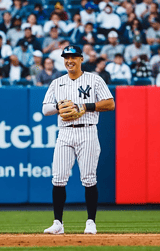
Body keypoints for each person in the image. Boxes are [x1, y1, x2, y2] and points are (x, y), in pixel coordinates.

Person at [42, 45, 115, 235]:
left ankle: (91, 222)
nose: (69, 60)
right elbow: (45, 109)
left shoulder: (94, 79)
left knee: (89, 178)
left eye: (73, 57)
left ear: (81, 59)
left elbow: (110, 103)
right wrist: (59, 106)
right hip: (65, 132)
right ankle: (58, 223)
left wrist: (85, 106)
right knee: (58, 178)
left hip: (87, 131)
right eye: (66, 57)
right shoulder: (57, 83)